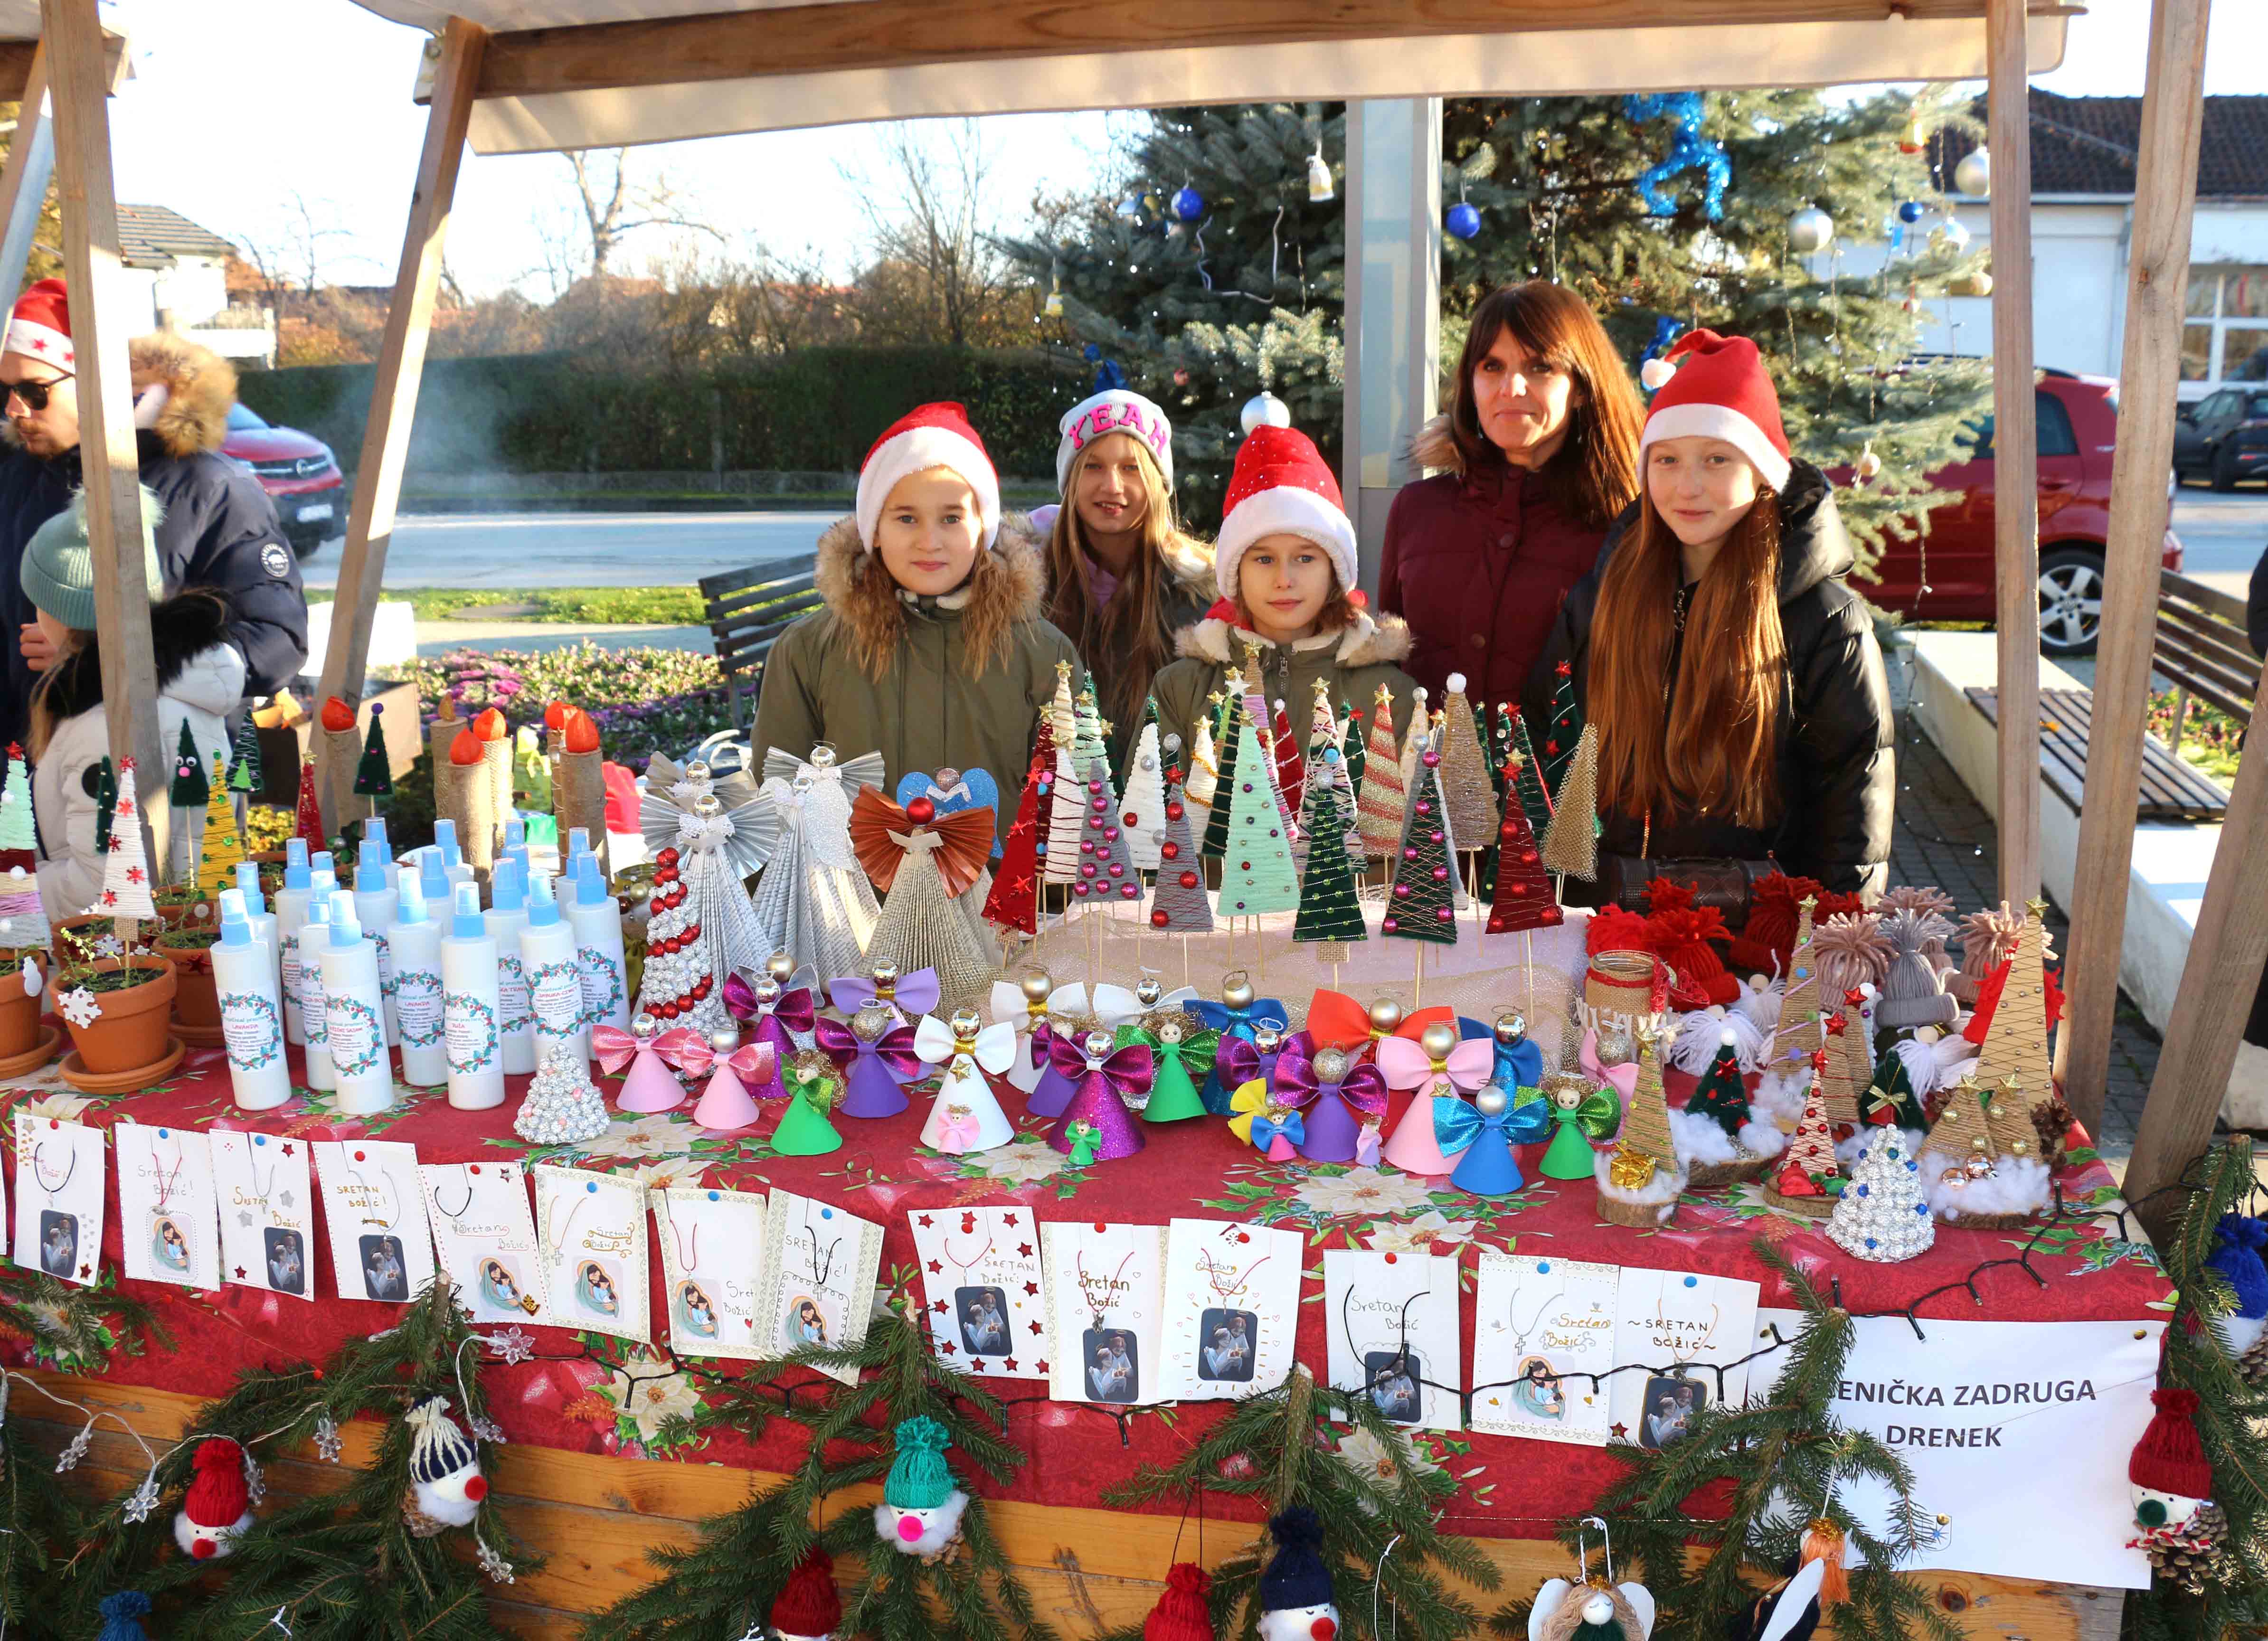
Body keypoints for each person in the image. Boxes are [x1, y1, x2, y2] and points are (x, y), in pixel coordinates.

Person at [1524, 329, 1892, 901]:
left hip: (1754, 933)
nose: (1687, 486)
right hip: (1602, 921)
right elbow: (1546, 744)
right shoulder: (1601, 596)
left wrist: (1836, 934)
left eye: (1717, 459)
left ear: (1763, 473)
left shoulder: (1823, 621)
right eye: (1667, 460)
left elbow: (1852, 799)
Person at [750, 402, 1079, 844]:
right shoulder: (809, 650)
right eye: (906, 518)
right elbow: (778, 800)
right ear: (875, 529)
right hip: (853, 887)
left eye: (952, 518)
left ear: (983, 526)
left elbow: (1068, 805)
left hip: (997, 887)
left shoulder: (1042, 653)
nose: (929, 541)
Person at [0, 282, 306, 751]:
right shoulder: (17, 478)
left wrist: (103, 658)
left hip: (166, 770)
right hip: (30, 775)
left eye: (33, 391)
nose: (14, 408)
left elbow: (276, 642)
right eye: (6, 390)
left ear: (96, 382)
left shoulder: (210, 487)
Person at [1380, 282, 1644, 707]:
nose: (1512, 387)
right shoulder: (1417, 509)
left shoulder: (1623, 523)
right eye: (1492, 366)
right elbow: (1386, 674)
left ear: (1581, 388)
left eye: (1540, 367)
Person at [26, 488, 246, 923]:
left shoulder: (103, 726)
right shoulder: (179, 688)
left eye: (38, 601)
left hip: (127, 949)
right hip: (184, 931)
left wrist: (15, 892)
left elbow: (101, 886)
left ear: (63, 612)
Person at [1151, 424, 1418, 761]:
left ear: (1334, 570)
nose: (1284, 580)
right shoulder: (1182, 689)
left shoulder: (1390, 695)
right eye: (1264, 559)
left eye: (1305, 558)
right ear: (1236, 572)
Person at [1036, 389, 1213, 762]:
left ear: (1156, 482)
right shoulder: (1031, 588)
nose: (1112, 486)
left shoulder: (1197, 599)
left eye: (1131, 468)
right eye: (1093, 466)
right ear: (1070, 479)